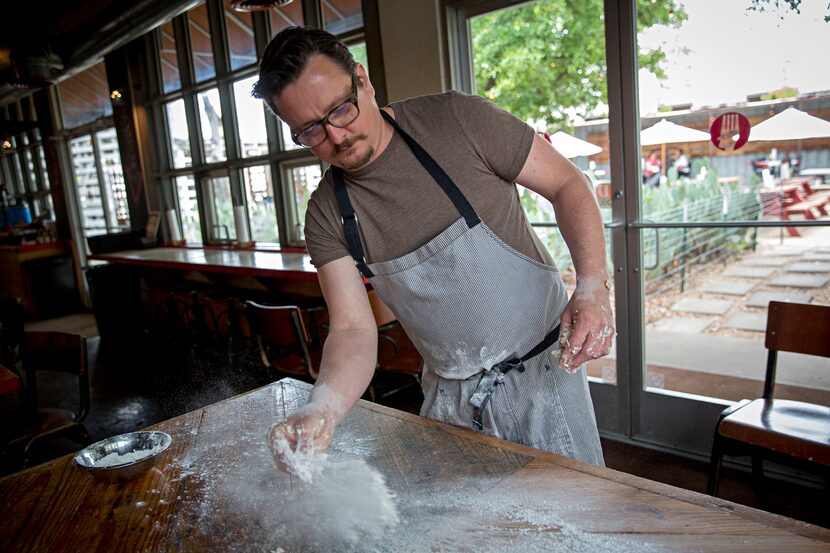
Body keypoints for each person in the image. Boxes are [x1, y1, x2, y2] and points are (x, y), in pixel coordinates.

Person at [253, 26, 614, 468]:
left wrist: (592, 285)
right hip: (449, 398)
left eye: (341, 110)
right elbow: (352, 330)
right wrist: (322, 408)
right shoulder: (327, 214)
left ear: (362, 80)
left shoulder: (458, 122)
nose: (337, 137)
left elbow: (567, 183)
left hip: (541, 377)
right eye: (310, 131)